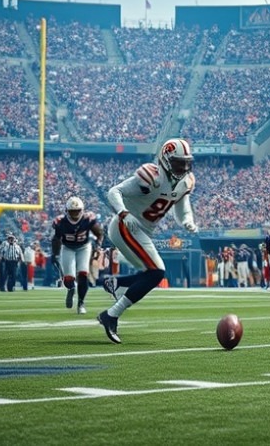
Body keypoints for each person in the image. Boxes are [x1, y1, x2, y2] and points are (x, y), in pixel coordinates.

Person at [97, 138, 198, 344]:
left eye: (186, 162)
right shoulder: (151, 176)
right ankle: (111, 315)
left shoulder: (184, 182)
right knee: (157, 272)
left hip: (143, 231)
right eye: (179, 162)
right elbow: (114, 192)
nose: (184, 167)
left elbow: (182, 209)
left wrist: (187, 220)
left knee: (150, 275)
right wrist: (124, 213)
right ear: (166, 159)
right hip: (125, 226)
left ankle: (115, 283)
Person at [52, 196, 103, 313]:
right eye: (72, 211)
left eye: (77, 210)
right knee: (68, 278)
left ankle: (81, 303)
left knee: (83, 273)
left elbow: (99, 233)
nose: (75, 214)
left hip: (84, 247)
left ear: (82, 210)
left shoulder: (88, 219)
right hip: (67, 247)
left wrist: (98, 245)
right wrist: (55, 254)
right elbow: (56, 239)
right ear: (67, 211)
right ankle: (71, 288)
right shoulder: (61, 222)